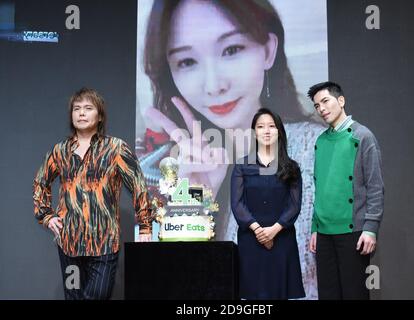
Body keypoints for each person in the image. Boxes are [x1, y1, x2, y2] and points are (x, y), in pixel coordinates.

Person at [140, 0, 324, 298]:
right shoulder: (181, 167)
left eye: (231, 49)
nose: (213, 85)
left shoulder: (313, 151)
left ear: (268, 50)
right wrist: (194, 207)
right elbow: (177, 289)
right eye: (186, 62)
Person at [32, 88, 153, 300]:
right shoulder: (60, 151)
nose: (81, 113)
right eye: (76, 109)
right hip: (69, 244)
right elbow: (41, 182)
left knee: (96, 296)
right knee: (74, 296)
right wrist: (46, 215)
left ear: (99, 116)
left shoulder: (115, 148)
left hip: (104, 243)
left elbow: (138, 185)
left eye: (88, 108)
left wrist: (145, 225)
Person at [307, 81, 384, 300]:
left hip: (354, 232)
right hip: (324, 234)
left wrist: (370, 228)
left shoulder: (362, 136)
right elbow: (319, 189)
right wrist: (315, 227)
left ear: (341, 101)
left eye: (325, 101)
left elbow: (375, 187)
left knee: (354, 294)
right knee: (329, 295)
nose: (321, 108)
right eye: (316, 105)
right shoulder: (321, 141)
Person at [231, 108, 305, 299]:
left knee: (280, 292)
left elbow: (294, 205)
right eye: (261, 126)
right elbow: (237, 204)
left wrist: (274, 230)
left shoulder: (291, 167)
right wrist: (258, 230)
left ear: (279, 131)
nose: (266, 131)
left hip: (282, 239)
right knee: (253, 296)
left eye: (271, 126)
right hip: (251, 239)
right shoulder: (242, 165)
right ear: (254, 131)